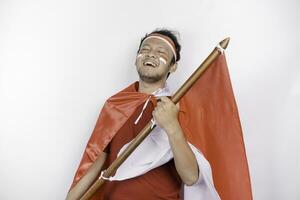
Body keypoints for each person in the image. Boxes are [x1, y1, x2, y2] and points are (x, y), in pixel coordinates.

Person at [67, 29, 251, 200]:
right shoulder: (115, 105)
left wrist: (172, 126)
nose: (151, 54)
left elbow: (191, 177)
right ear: (136, 59)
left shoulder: (180, 107)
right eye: (145, 49)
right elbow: (96, 161)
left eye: (161, 52)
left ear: (173, 67)